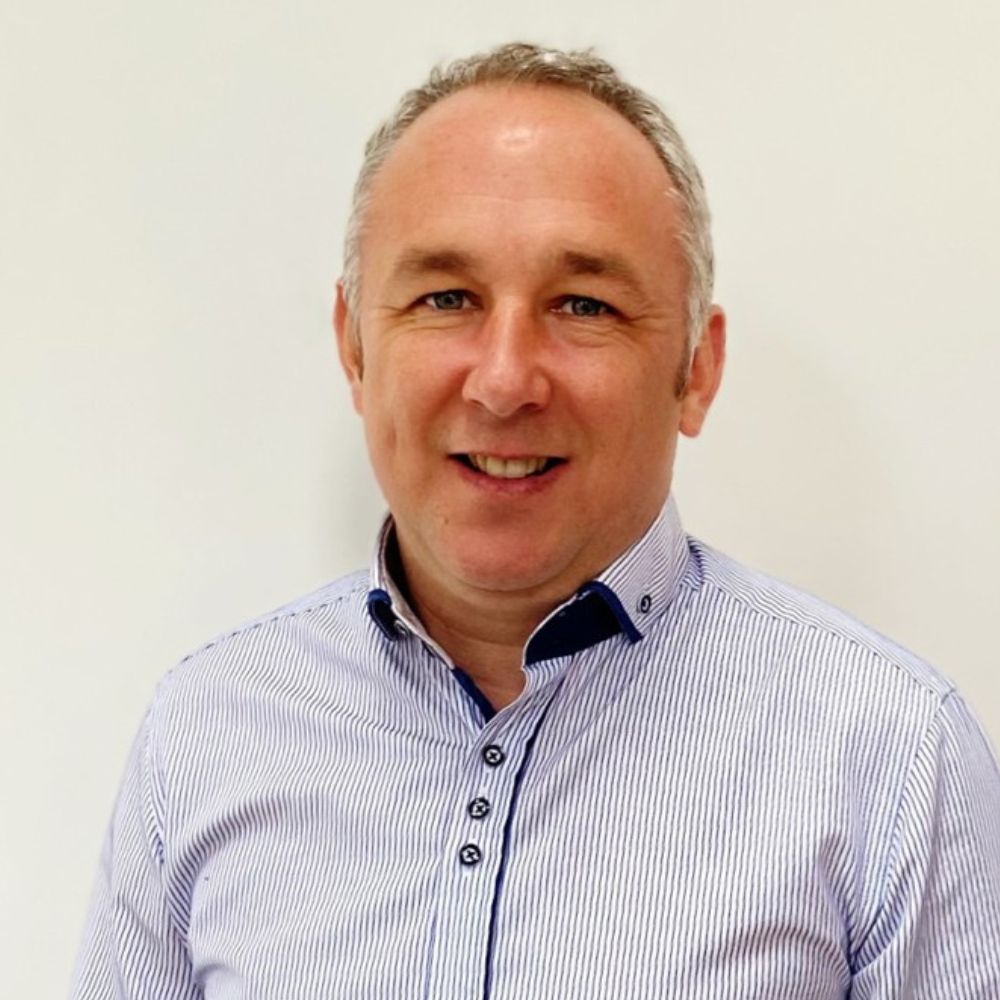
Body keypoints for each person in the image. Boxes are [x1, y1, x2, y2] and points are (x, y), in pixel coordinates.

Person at [71, 42, 1000, 999]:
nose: (506, 379)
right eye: (445, 298)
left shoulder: (893, 757)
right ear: (354, 347)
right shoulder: (207, 731)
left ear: (696, 369)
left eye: (584, 305)